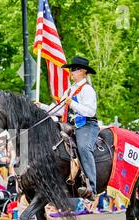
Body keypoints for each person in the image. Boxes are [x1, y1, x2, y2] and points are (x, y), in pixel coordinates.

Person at [37, 56, 98, 200]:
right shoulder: (70, 90)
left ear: (83, 71)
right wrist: (42, 107)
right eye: (71, 69)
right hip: (70, 125)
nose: (71, 72)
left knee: (83, 148)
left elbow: (90, 112)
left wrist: (72, 104)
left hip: (87, 125)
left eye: (75, 69)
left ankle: (92, 187)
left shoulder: (87, 89)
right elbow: (60, 110)